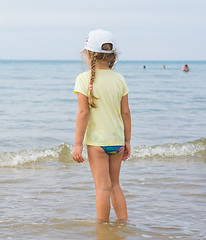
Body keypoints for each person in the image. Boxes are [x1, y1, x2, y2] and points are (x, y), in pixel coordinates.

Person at [72, 29, 131, 222]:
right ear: (112, 56)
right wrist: (127, 141)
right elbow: (126, 113)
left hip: (97, 143)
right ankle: (123, 224)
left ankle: (103, 228)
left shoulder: (83, 79)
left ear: (88, 55)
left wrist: (78, 144)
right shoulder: (120, 79)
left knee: (102, 188)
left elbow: (83, 113)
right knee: (115, 185)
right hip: (117, 140)